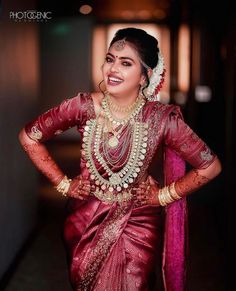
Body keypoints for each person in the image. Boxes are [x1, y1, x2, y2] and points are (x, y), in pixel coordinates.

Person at [18, 27, 221, 291]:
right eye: (110, 59)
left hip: (138, 225)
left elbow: (210, 166)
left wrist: (164, 195)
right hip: (85, 221)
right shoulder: (83, 106)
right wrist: (64, 184)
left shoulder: (161, 119)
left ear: (145, 75)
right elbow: (28, 137)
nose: (113, 69)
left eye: (126, 63)